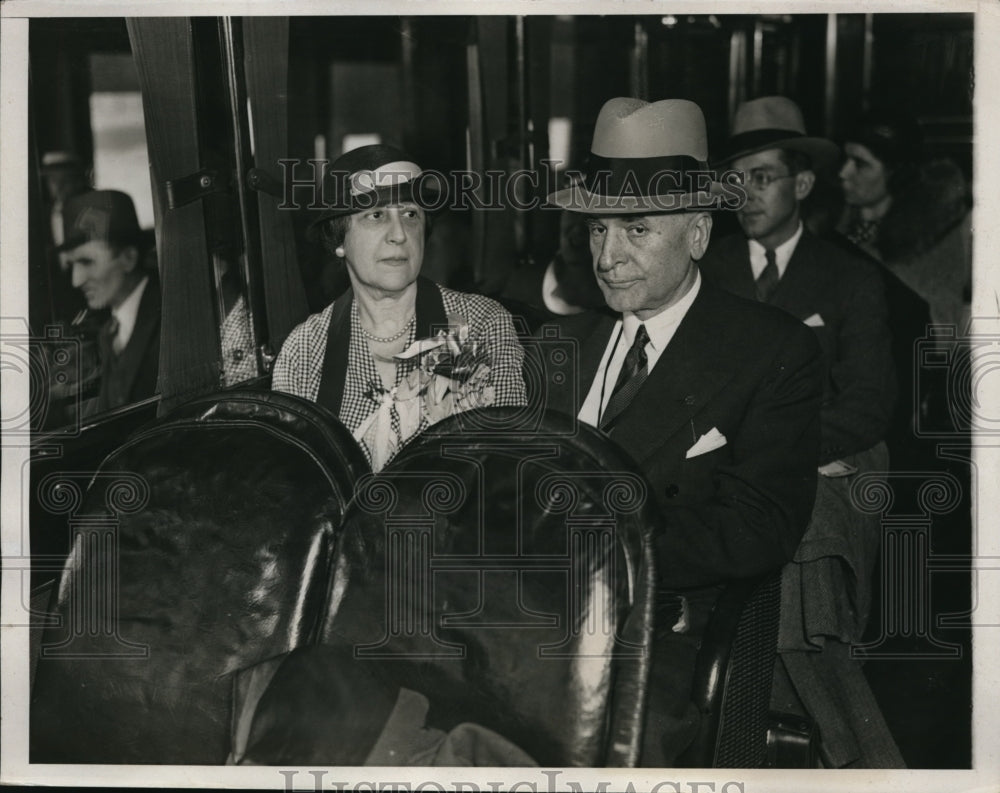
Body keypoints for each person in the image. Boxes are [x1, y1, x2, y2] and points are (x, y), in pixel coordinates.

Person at [541, 97, 823, 766]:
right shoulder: (558, 344)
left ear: (697, 233)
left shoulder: (767, 350)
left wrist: (604, 549)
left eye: (635, 230)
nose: (608, 257)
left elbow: (759, 526)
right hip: (530, 616)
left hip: (657, 640)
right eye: (597, 230)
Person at [701, 96, 903, 768]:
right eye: (735, 179)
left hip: (831, 460)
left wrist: (780, 453)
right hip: (727, 468)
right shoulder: (707, 273)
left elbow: (869, 404)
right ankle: (848, 754)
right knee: (793, 556)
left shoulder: (850, 279)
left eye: (762, 176)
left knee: (806, 534)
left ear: (805, 184)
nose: (745, 193)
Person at [272, 144, 527, 471]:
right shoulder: (304, 351)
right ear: (339, 240)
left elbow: (507, 466)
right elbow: (293, 486)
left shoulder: (481, 325)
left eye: (410, 214)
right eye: (376, 216)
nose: (399, 234)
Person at [837, 111, 971, 347]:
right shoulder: (836, 223)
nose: (843, 173)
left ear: (896, 174)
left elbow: (940, 329)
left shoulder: (934, 237)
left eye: (860, 164)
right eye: (845, 160)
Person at [60, 189, 160, 415]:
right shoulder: (109, 332)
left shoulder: (171, 316)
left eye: (87, 261)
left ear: (128, 258)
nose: (76, 280)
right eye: (72, 265)